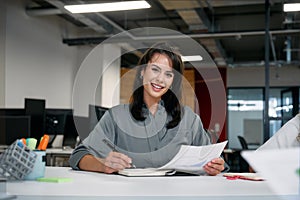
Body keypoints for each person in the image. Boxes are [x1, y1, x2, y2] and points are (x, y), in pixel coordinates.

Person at [69, 42, 225, 176]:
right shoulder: (116, 116)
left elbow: (211, 159)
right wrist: (103, 164)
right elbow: (79, 155)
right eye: (155, 70)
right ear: (143, 71)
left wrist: (215, 166)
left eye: (168, 74)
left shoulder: (189, 119)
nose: (160, 79)